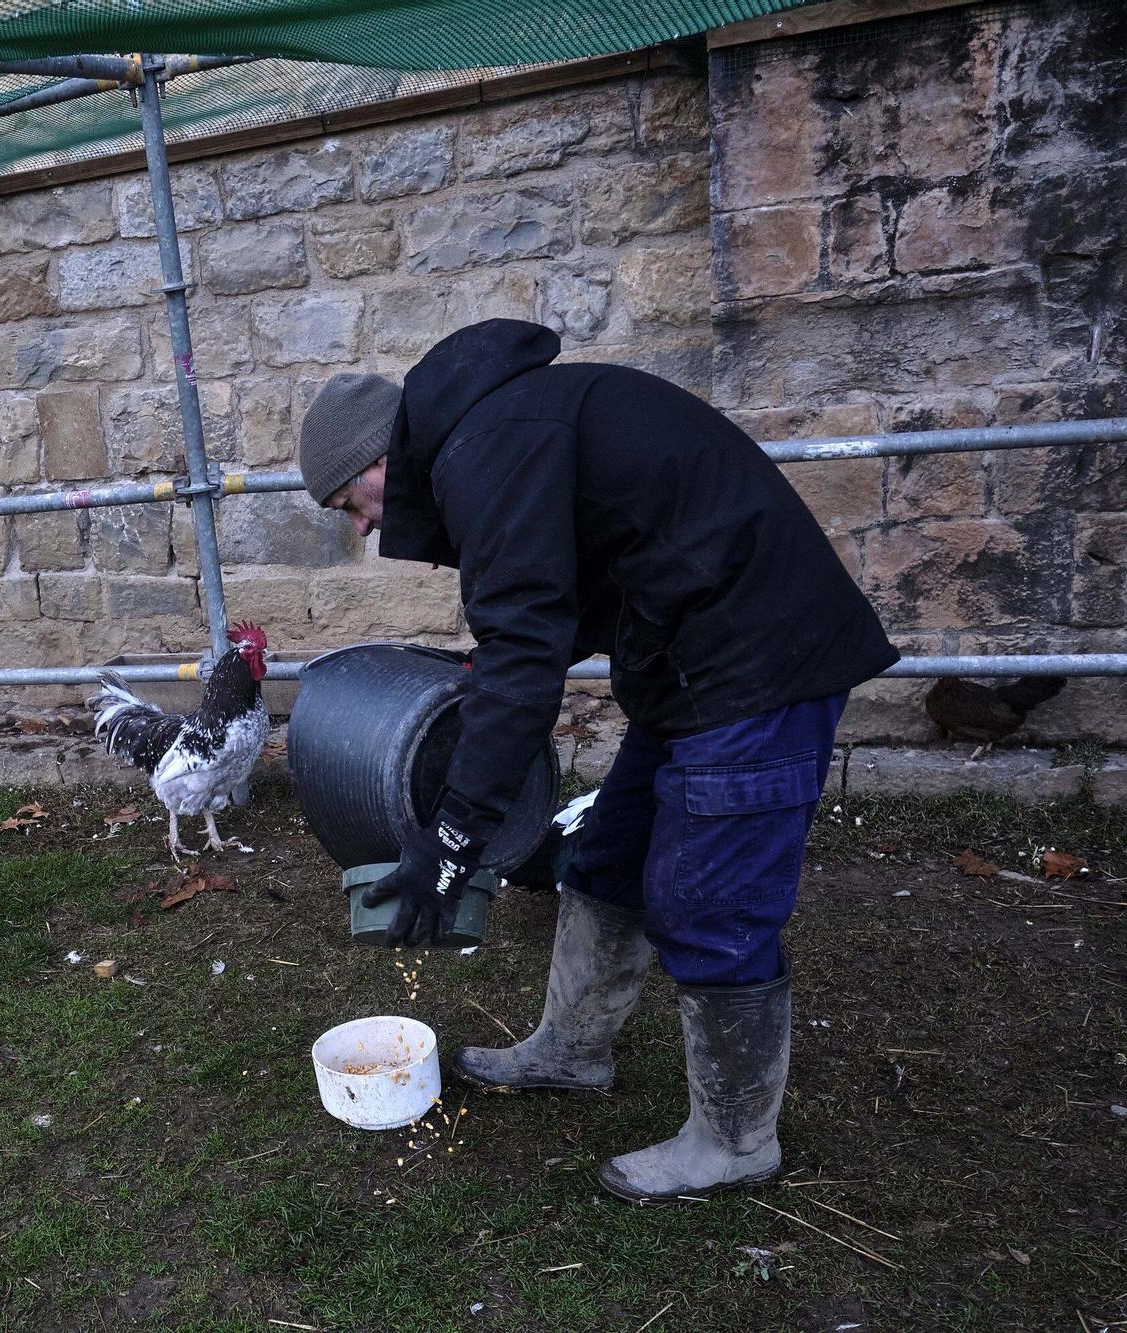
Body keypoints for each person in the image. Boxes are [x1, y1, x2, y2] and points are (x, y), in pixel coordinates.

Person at [296, 319, 897, 1203]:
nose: (365, 523)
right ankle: (572, 1052)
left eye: (354, 500)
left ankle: (736, 1141)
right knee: (610, 860)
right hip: (689, 657)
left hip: (756, 662)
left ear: (381, 454)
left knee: (710, 897)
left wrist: (453, 834)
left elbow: (526, 645)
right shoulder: (495, 432)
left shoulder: (486, 449)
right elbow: (568, 592)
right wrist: (483, 679)